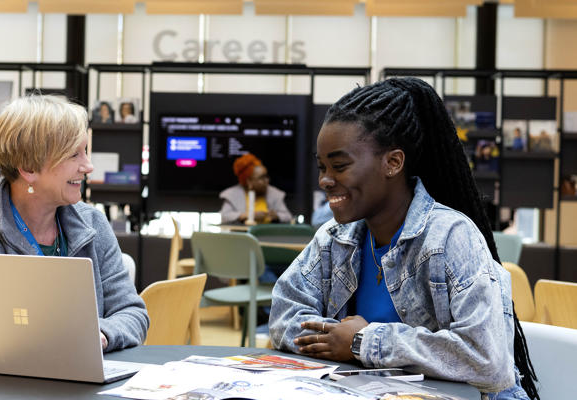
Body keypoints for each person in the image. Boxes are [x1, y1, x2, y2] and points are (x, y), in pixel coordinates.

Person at [269, 78, 538, 399]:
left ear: (393, 162)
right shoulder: (333, 239)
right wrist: (337, 339)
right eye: (322, 166)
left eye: (339, 166)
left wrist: (363, 342)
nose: (325, 180)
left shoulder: (451, 237)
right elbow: (284, 315)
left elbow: (486, 359)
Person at [0, 96, 149, 400]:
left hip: (70, 383)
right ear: (28, 167)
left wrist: (101, 335)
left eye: (86, 151)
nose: (88, 166)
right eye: (74, 155)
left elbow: (133, 312)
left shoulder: (93, 223)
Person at [219, 153, 292, 224]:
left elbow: (288, 217)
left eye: (266, 177)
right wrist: (247, 215)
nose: (266, 181)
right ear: (249, 181)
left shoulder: (274, 193)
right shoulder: (232, 194)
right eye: (261, 178)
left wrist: (276, 216)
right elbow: (224, 216)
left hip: (268, 234)